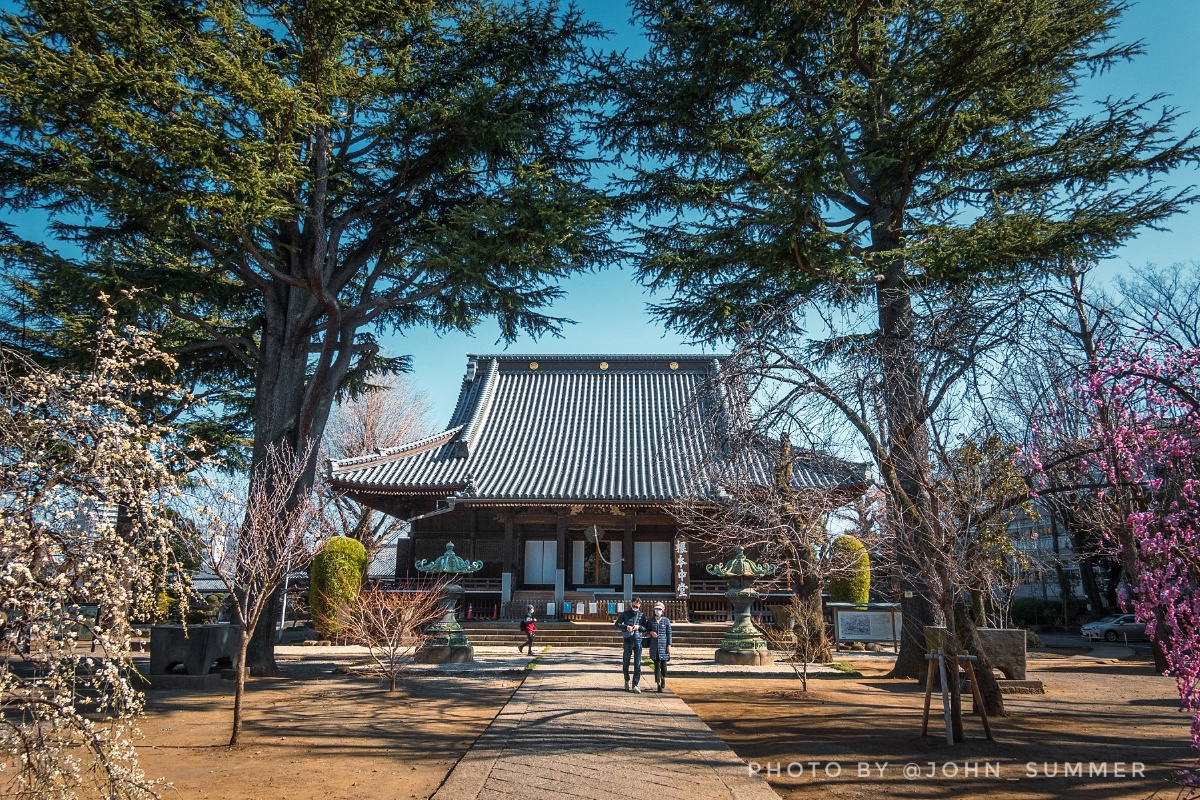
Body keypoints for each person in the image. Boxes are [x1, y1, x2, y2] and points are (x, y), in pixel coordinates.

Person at [613, 597, 647, 691]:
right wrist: (625, 626)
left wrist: (639, 627)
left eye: (637, 605)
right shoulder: (625, 614)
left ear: (640, 605)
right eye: (634, 605)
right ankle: (626, 679)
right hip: (628, 639)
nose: (635, 607)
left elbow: (645, 628)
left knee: (637, 664)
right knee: (626, 663)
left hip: (638, 640)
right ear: (631, 604)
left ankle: (635, 684)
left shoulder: (642, 615)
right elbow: (617, 624)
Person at [646, 601, 673, 692]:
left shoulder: (666, 621)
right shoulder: (650, 620)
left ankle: (663, 678)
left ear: (663, 610)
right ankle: (657, 684)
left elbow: (669, 633)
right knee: (656, 665)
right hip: (654, 646)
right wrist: (650, 632)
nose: (658, 611)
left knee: (663, 666)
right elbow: (646, 630)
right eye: (656, 609)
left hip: (664, 645)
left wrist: (669, 645)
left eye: (660, 609)